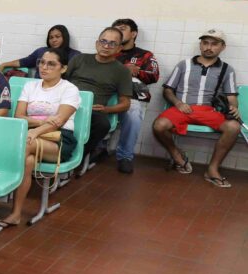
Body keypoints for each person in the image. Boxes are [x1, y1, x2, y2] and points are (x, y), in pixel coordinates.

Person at [0, 48, 81, 227]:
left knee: (24, 144)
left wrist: (35, 131)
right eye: (42, 62)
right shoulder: (30, 86)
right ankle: (16, 213)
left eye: (51, 64)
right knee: (27, 160)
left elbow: (59, 122)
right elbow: (19, 116)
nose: (44, 67)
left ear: (63, 68)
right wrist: (42, 122)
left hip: (59, 140)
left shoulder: (70, 89)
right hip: (30, 136)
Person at [153, 29, 240, 187]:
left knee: (233, 127)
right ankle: (177, 156)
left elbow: (231, 96)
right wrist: (178, 103)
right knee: (159, 126)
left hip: (209, 111)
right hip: (182, 108)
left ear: (223, 47)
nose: (209, 47)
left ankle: (212, 170)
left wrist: (234, 107)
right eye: (205, 43)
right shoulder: (183, 65)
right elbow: (167, 90)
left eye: (214, 44)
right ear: (200, 45)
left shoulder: (227, 69)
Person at [64, 28, 133, 163]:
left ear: (119, 48)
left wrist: (106, 109)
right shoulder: (79, 59)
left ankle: (77, 156)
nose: (106, 46)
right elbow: (61, 82)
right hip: (66, 104)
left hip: (92, 110)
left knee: (103, 125)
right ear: (97, 43)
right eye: (103, 41)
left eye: (112, 43)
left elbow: (126, 104)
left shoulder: (122, 71)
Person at [111, 18, 161, 174]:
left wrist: (137, 71)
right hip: (107, 94)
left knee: (133, 113)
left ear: (133, 34)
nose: (118, 32)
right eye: (116, 29)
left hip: (131, 97)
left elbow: (154, 76)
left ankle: (125, 157)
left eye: (122, 28)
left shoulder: (144, 55)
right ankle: (96, 148)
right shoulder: (108, 51)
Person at [0, 25, 80, 74]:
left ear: (65, 37)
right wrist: (4, 65)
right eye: (51, 37)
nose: (54, 40)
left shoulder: (75, 56)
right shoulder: (41, 52)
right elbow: (24, 61)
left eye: (57, 37)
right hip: (38, 87)